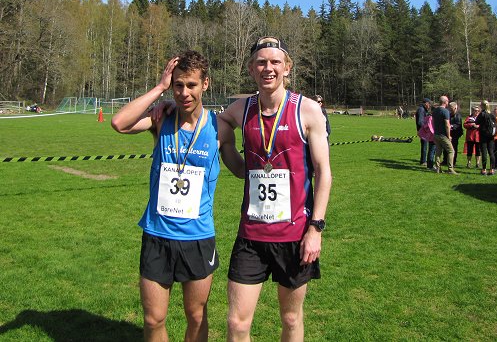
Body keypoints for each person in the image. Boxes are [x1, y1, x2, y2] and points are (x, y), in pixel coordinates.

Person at [111, 50, 244, 341]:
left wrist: (275, 163)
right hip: (157, 234)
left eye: (191, 85)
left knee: (196, 317)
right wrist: (159, 88)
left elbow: (240, 170)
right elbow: (119, 123)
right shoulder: (162, 118)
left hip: (197, 237)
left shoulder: (219, 128)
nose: (184, 92)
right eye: (178, 85)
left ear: (205, 84)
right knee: (153, 318)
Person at [217, 36, 332, 341]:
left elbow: (323, 172)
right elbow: (218, 123)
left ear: (287, 68)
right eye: (261, 62)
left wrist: (316, 228)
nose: (268, 68)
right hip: (251, 236)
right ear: (251, 70)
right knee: (237, 324)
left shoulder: (307, 111)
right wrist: (231, 155)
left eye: (275, 62)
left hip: (294, 236)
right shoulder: (242, 109)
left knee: (291, 318)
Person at [432, 95, 458, 175]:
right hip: (443, 135)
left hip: (436, 134)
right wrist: (449, 135)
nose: (448, 102)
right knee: (451, 151)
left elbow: (432, 122)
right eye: (447, 101)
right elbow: (447, 124)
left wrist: (435, 130)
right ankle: (450, 169)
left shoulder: (435, 111)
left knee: (438, 152)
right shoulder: (445, 111)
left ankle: (438, 168)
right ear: (445, 102)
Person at [475, 100, 496, 175]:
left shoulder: (482, 114)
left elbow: (476, 122)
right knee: (491, 152)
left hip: (483, 135)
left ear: (482, 106)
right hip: (491, 135)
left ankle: (484, 169)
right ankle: (492, 169)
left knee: (484, 152)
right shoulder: (492, 114)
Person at [415, 98, 432, 165]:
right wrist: (426, 128)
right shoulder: (421, 110)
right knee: (424, 146)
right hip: (423, 131)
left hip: (424, 130)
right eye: (429, 104)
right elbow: (420, 122)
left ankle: (424, 160)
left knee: (425, 145)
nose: (429, 105)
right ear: (426, 103)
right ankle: (423, 161)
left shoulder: (423, 109)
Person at [446, 101, 463, 167]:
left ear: (455, 108)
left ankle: (453, 161)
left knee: (454, 147)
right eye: (449, 108)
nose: (450, 109)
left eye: (451, 108)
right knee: (447, 147)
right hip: (449, 133)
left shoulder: (458, 116)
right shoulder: (449, 115)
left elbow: (458, 125)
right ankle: (446, 160)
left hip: (455, 134)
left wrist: (451, 126)